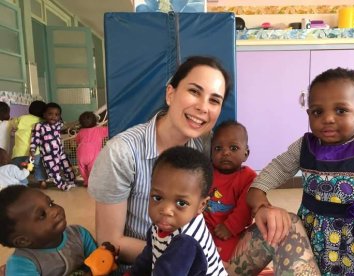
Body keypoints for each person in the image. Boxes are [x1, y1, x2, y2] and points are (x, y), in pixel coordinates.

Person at [88, 56, 319, 275]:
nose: (203, 107)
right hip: (156, 265)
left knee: (285, 225)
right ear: (171, 93)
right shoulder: (122, 153)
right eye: (194, 92)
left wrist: (261, 208)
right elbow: (111, 242)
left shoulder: (208, 145)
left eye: (214, 100)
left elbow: (243, 179)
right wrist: (186, 255)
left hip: (209, 259)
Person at [247, 67, 354, 275]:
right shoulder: (304, 146)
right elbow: (279, 167)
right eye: (318, 112)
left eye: (341, 110)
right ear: (309, 114)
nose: (327, 118)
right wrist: (259, 188)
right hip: (317, 235)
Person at [128, 146, 226, 275]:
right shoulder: (164, 225)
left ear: (201, 205)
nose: (166, 210)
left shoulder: (186, 242)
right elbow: (148, 257)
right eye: (157, 198)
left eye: (181, 203)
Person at [0, 185, 97, 275]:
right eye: (42, 215)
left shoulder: (79, 234)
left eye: (51, 204)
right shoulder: (21, 266)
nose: (55, 211)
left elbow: (101, 261)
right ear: (23, 241)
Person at [203, 120, 255, 262]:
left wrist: (229, 227)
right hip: (204, 225)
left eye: (233, 148)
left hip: (230, 230)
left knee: (228, 256)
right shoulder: (206, 172)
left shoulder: (248, 177)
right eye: (218, 149)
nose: (225, 153)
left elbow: (244, 209)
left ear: (246, 153)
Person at [30, 102, 76, 191]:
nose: (53, 117)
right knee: (53, 172)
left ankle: (71, 181)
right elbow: (35, 138)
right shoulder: (40, 126)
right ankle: (63, 186)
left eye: (57, 115)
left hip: (60, 152)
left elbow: (68, 126)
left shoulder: (58, 124)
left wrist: (78, 123)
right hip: (48, 155)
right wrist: (32, 150)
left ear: (59, 116)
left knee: (67, 167)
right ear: (44, 114)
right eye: (50, 114)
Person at [10, 100, 47, 189]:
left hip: (19, 152)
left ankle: (23, 184)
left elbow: (13, 124)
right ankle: (42, 181)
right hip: (35, 152)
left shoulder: (21, 118)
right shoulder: (42, 121)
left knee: (18, 169)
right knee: (38, 166)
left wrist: (13, 121)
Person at [76, 111, 108, 187]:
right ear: (96, 121)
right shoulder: (100, 130)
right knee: (93, 169)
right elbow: (110, 129)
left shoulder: (80, 132)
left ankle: (86, 181)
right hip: (93, 154)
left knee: (82, 169)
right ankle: (93, 183)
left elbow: (77, 141)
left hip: (81, 154)